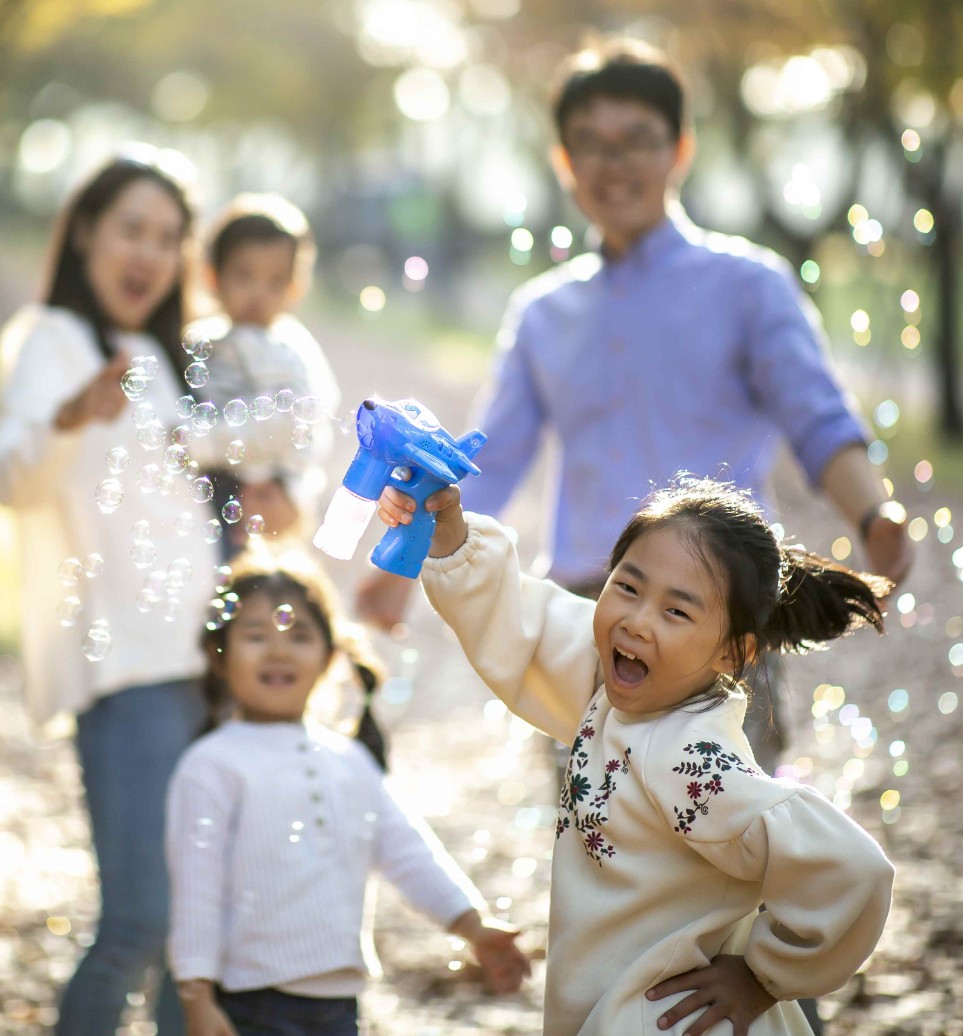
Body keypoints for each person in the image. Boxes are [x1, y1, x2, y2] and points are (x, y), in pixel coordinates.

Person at [354, 39, 913, 771]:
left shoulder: (749, 285)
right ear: (564, 162)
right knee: (594, 842)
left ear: (680, 149)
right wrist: (403, 565)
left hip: (721, 611)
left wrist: (875, 516)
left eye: (636, 141)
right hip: (586, 617)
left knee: (727, 839)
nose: (613, 164)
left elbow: (819, 420)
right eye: (590, 144)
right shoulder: (543, 312)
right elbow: (491, 457)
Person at [374, 475, 895, 1036]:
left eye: (677, 610)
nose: (638, 621)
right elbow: (532, 624)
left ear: (734, 653)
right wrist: (451, 535)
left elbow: (853, 868)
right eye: (627, 587)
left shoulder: (692, 763)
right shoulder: (613, 690)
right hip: (616, 1025)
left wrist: (761, 975)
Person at [0, 148, 217, 1036]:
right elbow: (10, 474)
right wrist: (71, 416)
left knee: (186, 928)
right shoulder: (51, 339)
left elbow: (180, 510)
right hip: (125, 669)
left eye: (167, 237)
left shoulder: (157, 357)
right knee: (138, 919)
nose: (148, 254)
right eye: (131, 230)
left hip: (196, 662)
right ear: (84, 234)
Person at [165, 549, 530, 1036]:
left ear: (330, 655)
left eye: (298, 636)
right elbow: (196, 890)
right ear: (220, 654)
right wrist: (196, 1000)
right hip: (249, 1006)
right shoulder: (212, 765)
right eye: (254, 635)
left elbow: (407, 850)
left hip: (339, 1006)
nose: (278, 650)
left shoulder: (350, 760)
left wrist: (473, 925)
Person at [187, 193, 341, 550]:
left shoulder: (284, 350)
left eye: (275, 282)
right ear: (213, 276)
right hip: (210, 479)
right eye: (244, 276)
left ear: (294, 288)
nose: (258, 293)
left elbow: (289, 421)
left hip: (257, 489)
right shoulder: (203, 339)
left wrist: (203, 442)